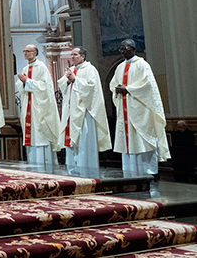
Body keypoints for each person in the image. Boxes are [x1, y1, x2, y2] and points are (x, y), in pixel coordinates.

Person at [110, 39, 170, 178]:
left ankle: (148, 174)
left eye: (124, 48)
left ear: (132, 48)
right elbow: (113, 84)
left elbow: (148, 86)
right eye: (120, 49)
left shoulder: (142, 65)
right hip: (125, 111)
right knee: (128, 142)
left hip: (140, 111)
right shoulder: (119, 67)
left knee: (143, 141)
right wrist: (117, 89)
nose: (121, 51)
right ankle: (129, 174)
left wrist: (129, 89)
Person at [57, 47, 111, 174]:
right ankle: (72, 171)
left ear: (83, 56)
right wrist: (69, 80)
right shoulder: (73, 70)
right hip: (71, 112)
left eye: (75, 54)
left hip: (84, 113)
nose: (72, 57)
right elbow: (63, 87)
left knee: (84, 144)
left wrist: (75, 80)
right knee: (71, 144)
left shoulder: (90, 70)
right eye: (71, 55)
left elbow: (92, 89)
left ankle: (87, 173)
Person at [15, 44, 62, 166]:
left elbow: (45, 87)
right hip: (29, 106)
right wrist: (23, 83)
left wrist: (28, 82)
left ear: (35, 53)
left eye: (28, 51)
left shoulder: (41, 67)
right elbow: (21, 87)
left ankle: (45, 167)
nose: (25, 53)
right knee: (32, 137)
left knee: (41, 136)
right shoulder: (25, 69)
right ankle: (33, 166)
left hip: (39, 109)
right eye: (24, 51)